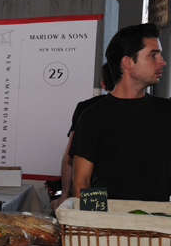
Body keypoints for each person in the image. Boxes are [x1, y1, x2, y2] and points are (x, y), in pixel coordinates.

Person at [70, 23, 170, 201]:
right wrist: (100, 225)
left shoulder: (166, 111)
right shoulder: (93, 116)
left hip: (157, 224)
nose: (162, 62)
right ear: (128, 62)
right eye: (153, 55)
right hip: (109, 223)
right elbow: (83, 182)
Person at [50, 64, 113, 211]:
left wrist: (65, 195)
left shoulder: (88, 108)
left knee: (95, 231)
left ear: (103, 84)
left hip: (95, 191)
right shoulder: (157, 109)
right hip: (143, 201)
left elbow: (70, 156)